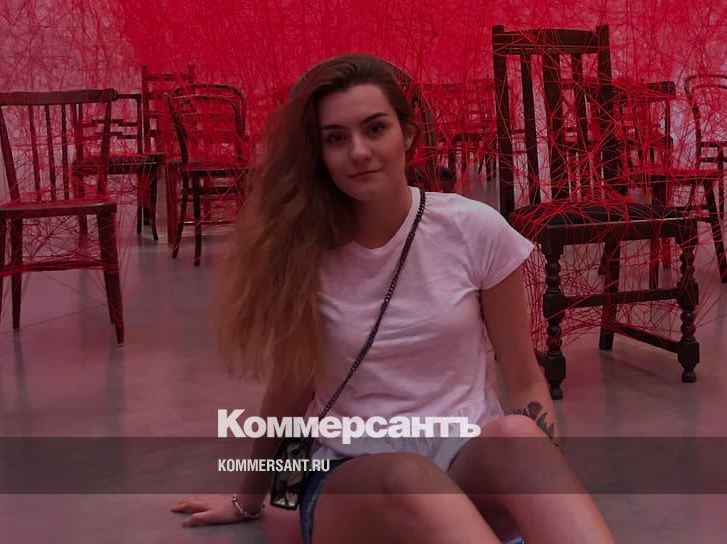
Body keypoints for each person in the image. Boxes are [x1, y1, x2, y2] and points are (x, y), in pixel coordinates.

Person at [170, 53, 615, 544]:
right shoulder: (305, 254)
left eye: (375, 128)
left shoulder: (473, 230)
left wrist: (536, 490)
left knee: (519, 437)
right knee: (408, 476)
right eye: (336, 138)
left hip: (463, 460)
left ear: (408, 135)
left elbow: (526, 379)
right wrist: (250, 498)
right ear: (319, 155)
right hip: (347, 472)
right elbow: (290, 396)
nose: (358, 151)